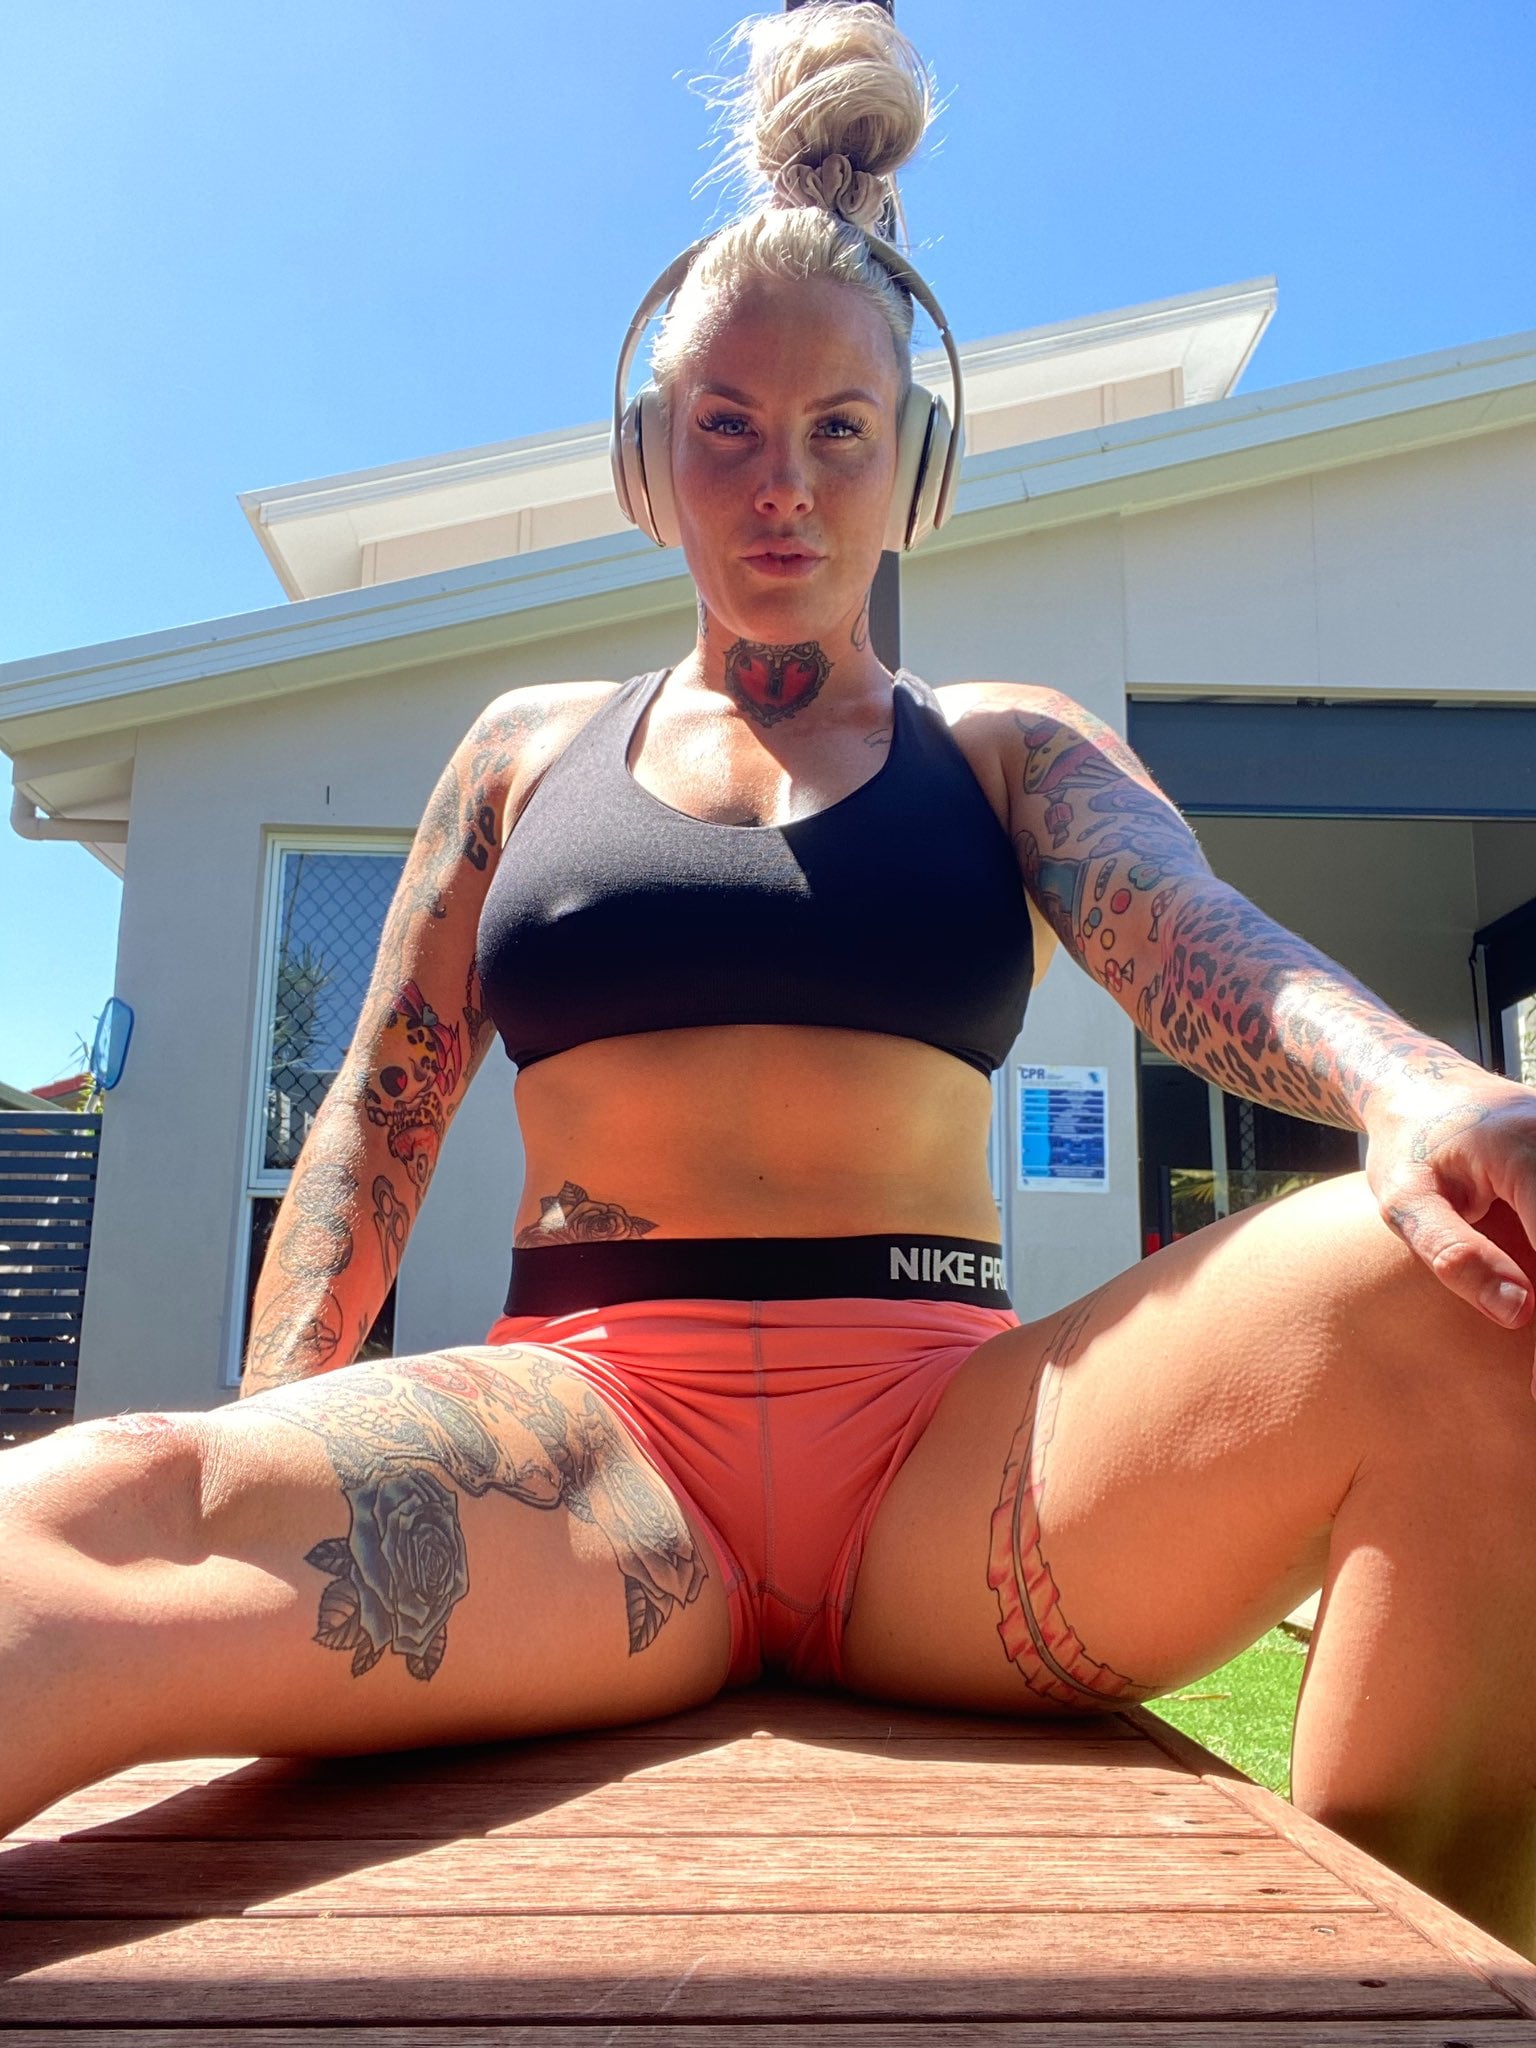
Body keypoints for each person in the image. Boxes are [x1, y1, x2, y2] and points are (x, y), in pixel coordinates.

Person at [4, 0, 1536, 1956]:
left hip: (954, 1471)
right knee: (91, 1511)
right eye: (725, 426)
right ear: (647, 460)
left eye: (838, 431)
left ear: (916, 467)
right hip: (590, 1462)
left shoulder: (1007, 750)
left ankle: (1424, 1983)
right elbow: (374, 1132)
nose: (781, 484)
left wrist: (1415, 1084)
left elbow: (1193, 936)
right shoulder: (520, 759)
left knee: (1476, 1284)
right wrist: (268, 1453)